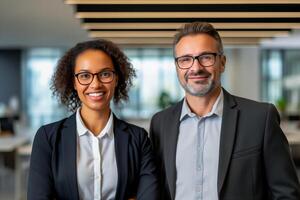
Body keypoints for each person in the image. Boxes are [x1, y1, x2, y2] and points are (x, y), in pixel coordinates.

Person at [150, 22, 300, 200]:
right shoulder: (161, 123)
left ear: (222, 63)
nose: (196, 68)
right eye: (185, 59)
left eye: (206, 57)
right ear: (177, 67)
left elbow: (286, 194)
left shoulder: (260, 118)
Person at [28, 39, 159, 200]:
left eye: (105, 74)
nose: (95, 84)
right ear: (74, 82)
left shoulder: (138, 139)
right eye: (84, 76)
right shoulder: (47, 138)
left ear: (116, 79)